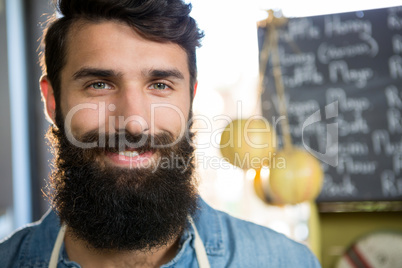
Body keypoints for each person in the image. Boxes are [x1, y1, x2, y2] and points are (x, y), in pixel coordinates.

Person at [0, 0, 321, 267]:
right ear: (53, 101)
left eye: (160, 85)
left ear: (190, 99)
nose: (135, 122)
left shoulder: (287, 262)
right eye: (99, 84)